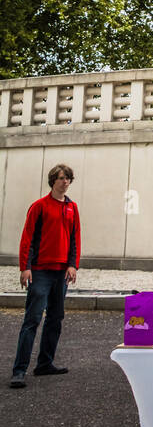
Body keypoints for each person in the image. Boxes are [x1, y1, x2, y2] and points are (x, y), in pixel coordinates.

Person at [10, 163, 80, 389]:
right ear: (53, 181)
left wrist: (73, 265)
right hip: (40, 271)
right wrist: (25, 267)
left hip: (61, 273)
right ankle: (19, 371)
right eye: (61, 178)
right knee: (32, 320)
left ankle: (44, 363)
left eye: (68, 178)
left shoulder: (72, 207)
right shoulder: (39, 206)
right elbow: (27, 237)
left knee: (55, 318)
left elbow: (75, 238)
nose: (65, 181)